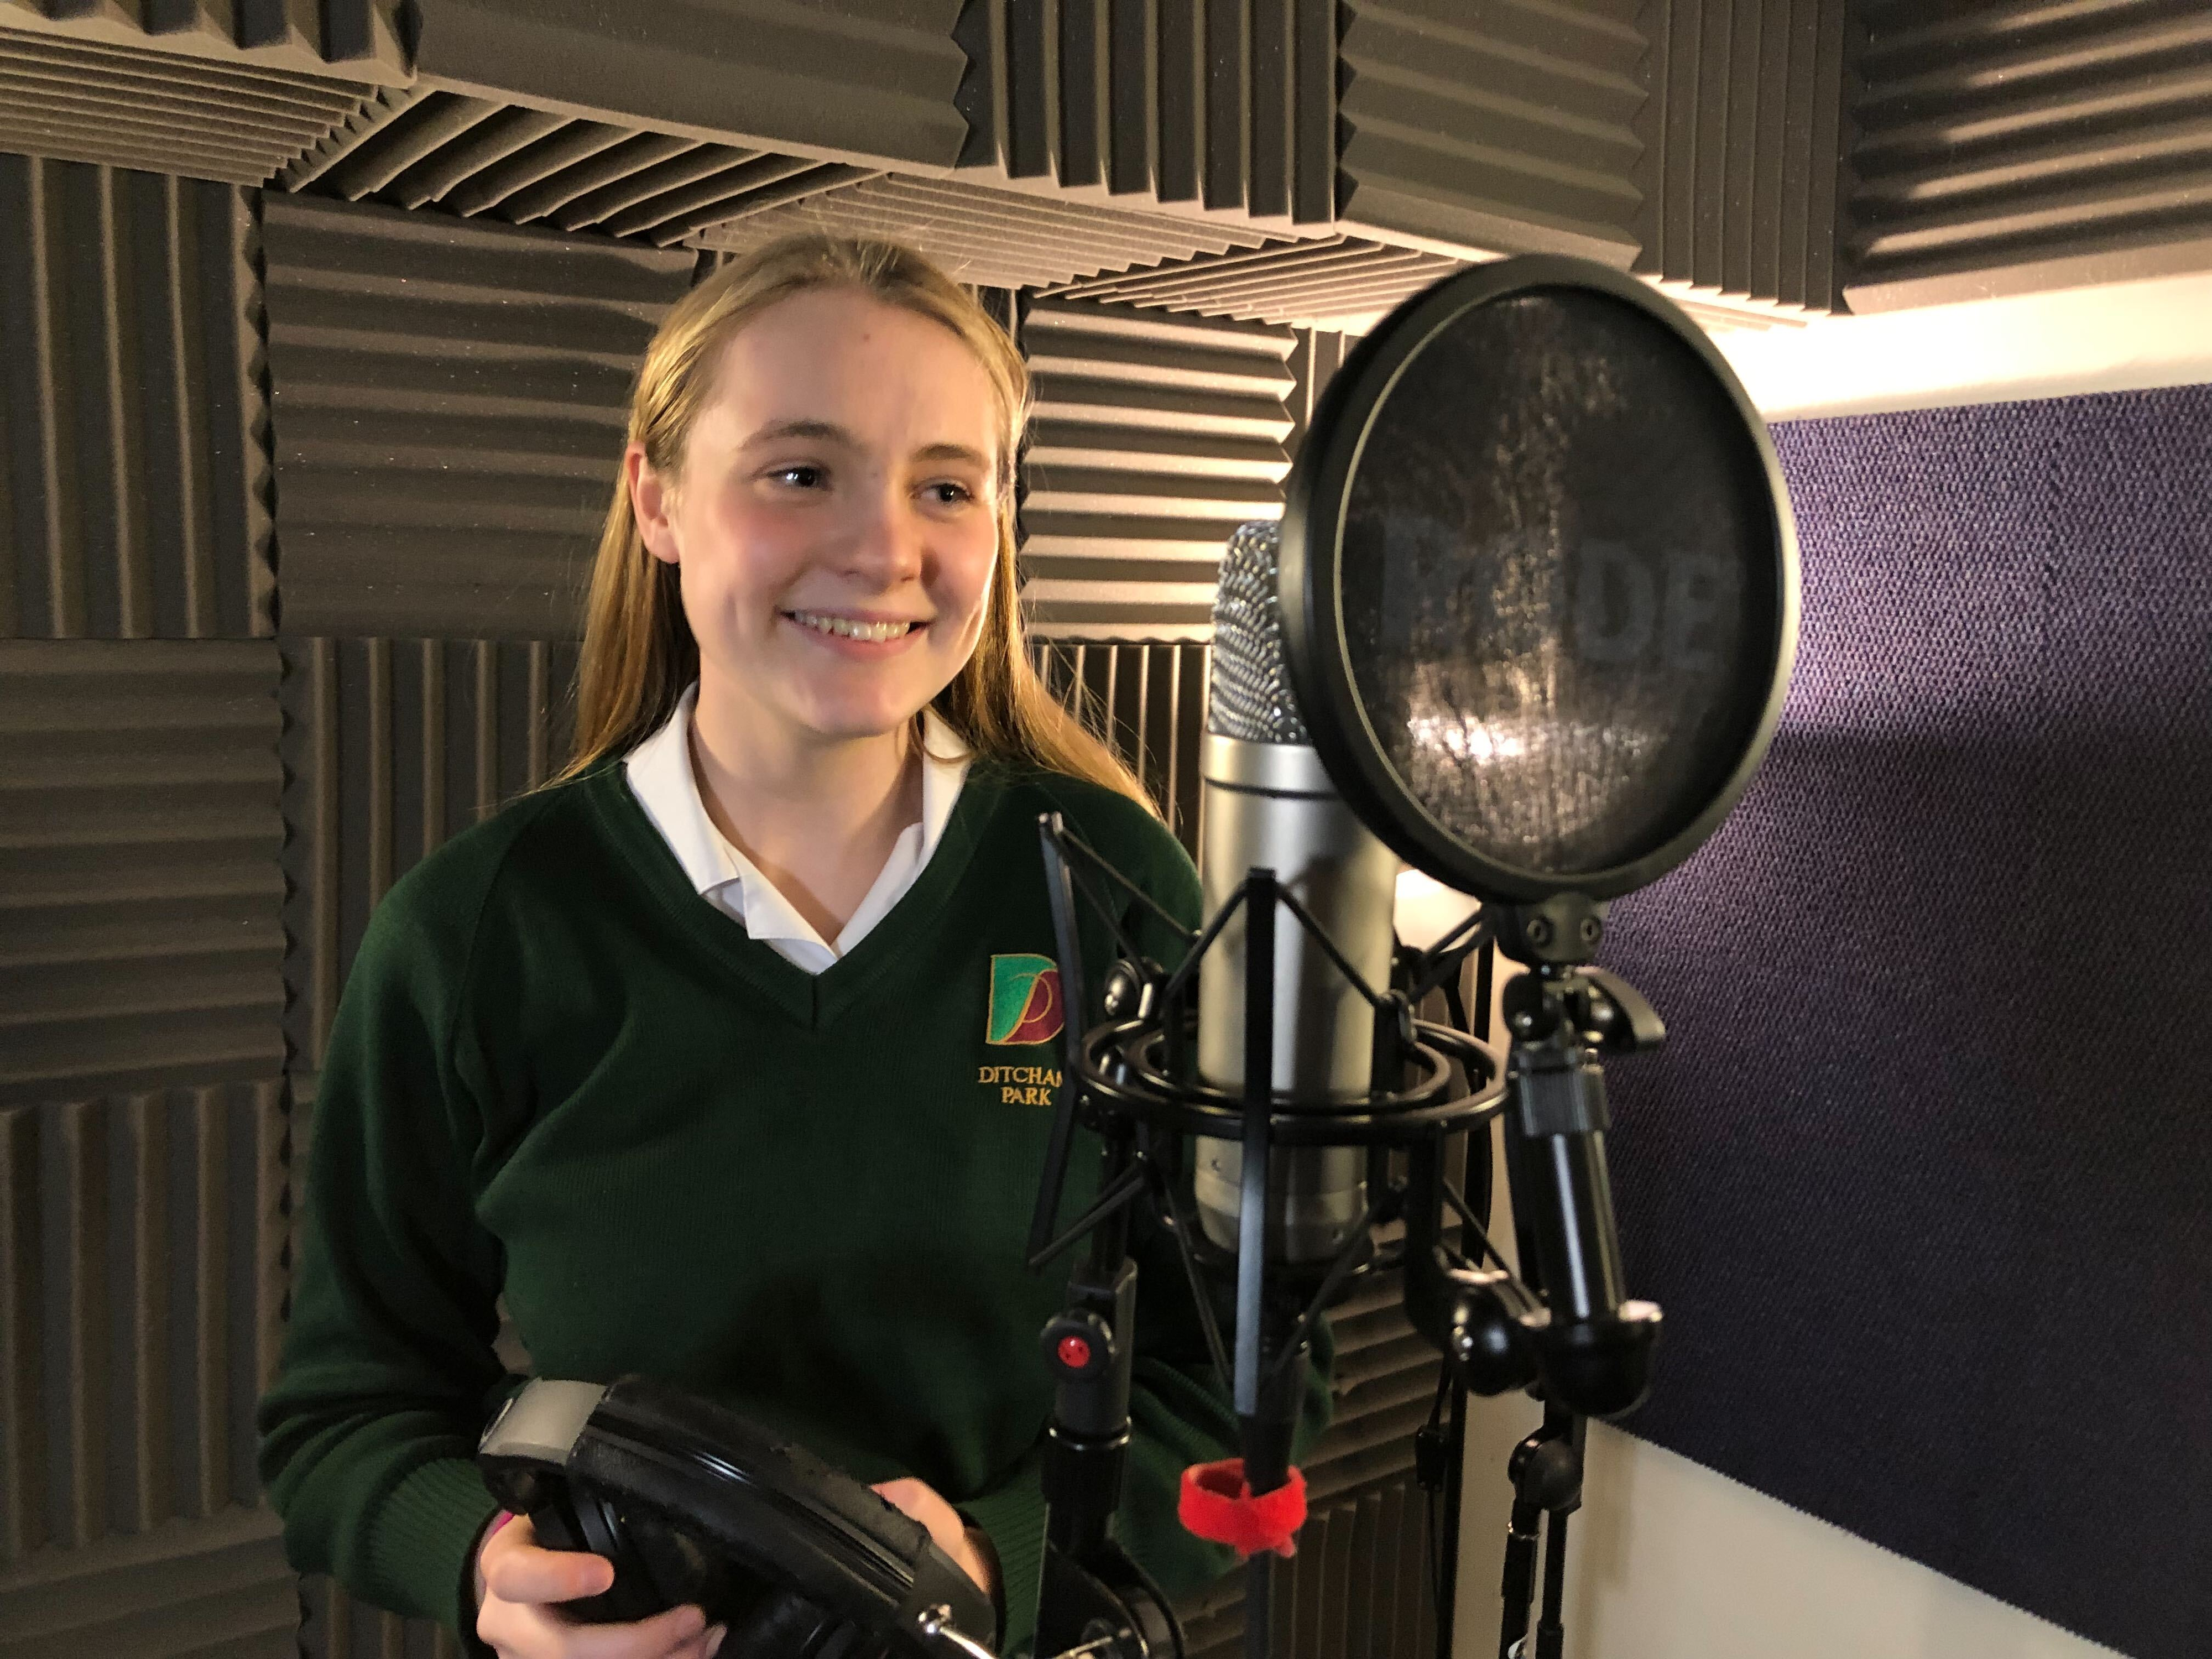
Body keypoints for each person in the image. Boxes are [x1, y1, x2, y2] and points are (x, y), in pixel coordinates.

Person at [256, 233, 1331, 1659]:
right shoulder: (477, 934)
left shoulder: (1115, 889)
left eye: (945, 486)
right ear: (656, 499)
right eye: (801, 472)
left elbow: (1252, 1378)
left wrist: (1002, 1559)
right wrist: (482, 1565)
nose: (884, 549)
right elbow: (345, 1414)